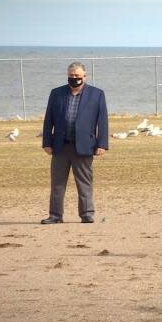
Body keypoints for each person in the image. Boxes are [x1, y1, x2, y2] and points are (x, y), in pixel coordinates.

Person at [41, 62, 109, 224]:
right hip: (60, 146)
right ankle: (55, 216)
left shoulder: (97, 94)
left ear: (84, 76)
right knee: (57, 184)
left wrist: (102, 144)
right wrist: (46, 142)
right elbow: (48, 119)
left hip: (85, 147)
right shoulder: (56, 93)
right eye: (71, 76)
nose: (74, 79)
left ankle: (87, 215)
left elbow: (103, 120)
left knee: (84, 183)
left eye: (77, 76)